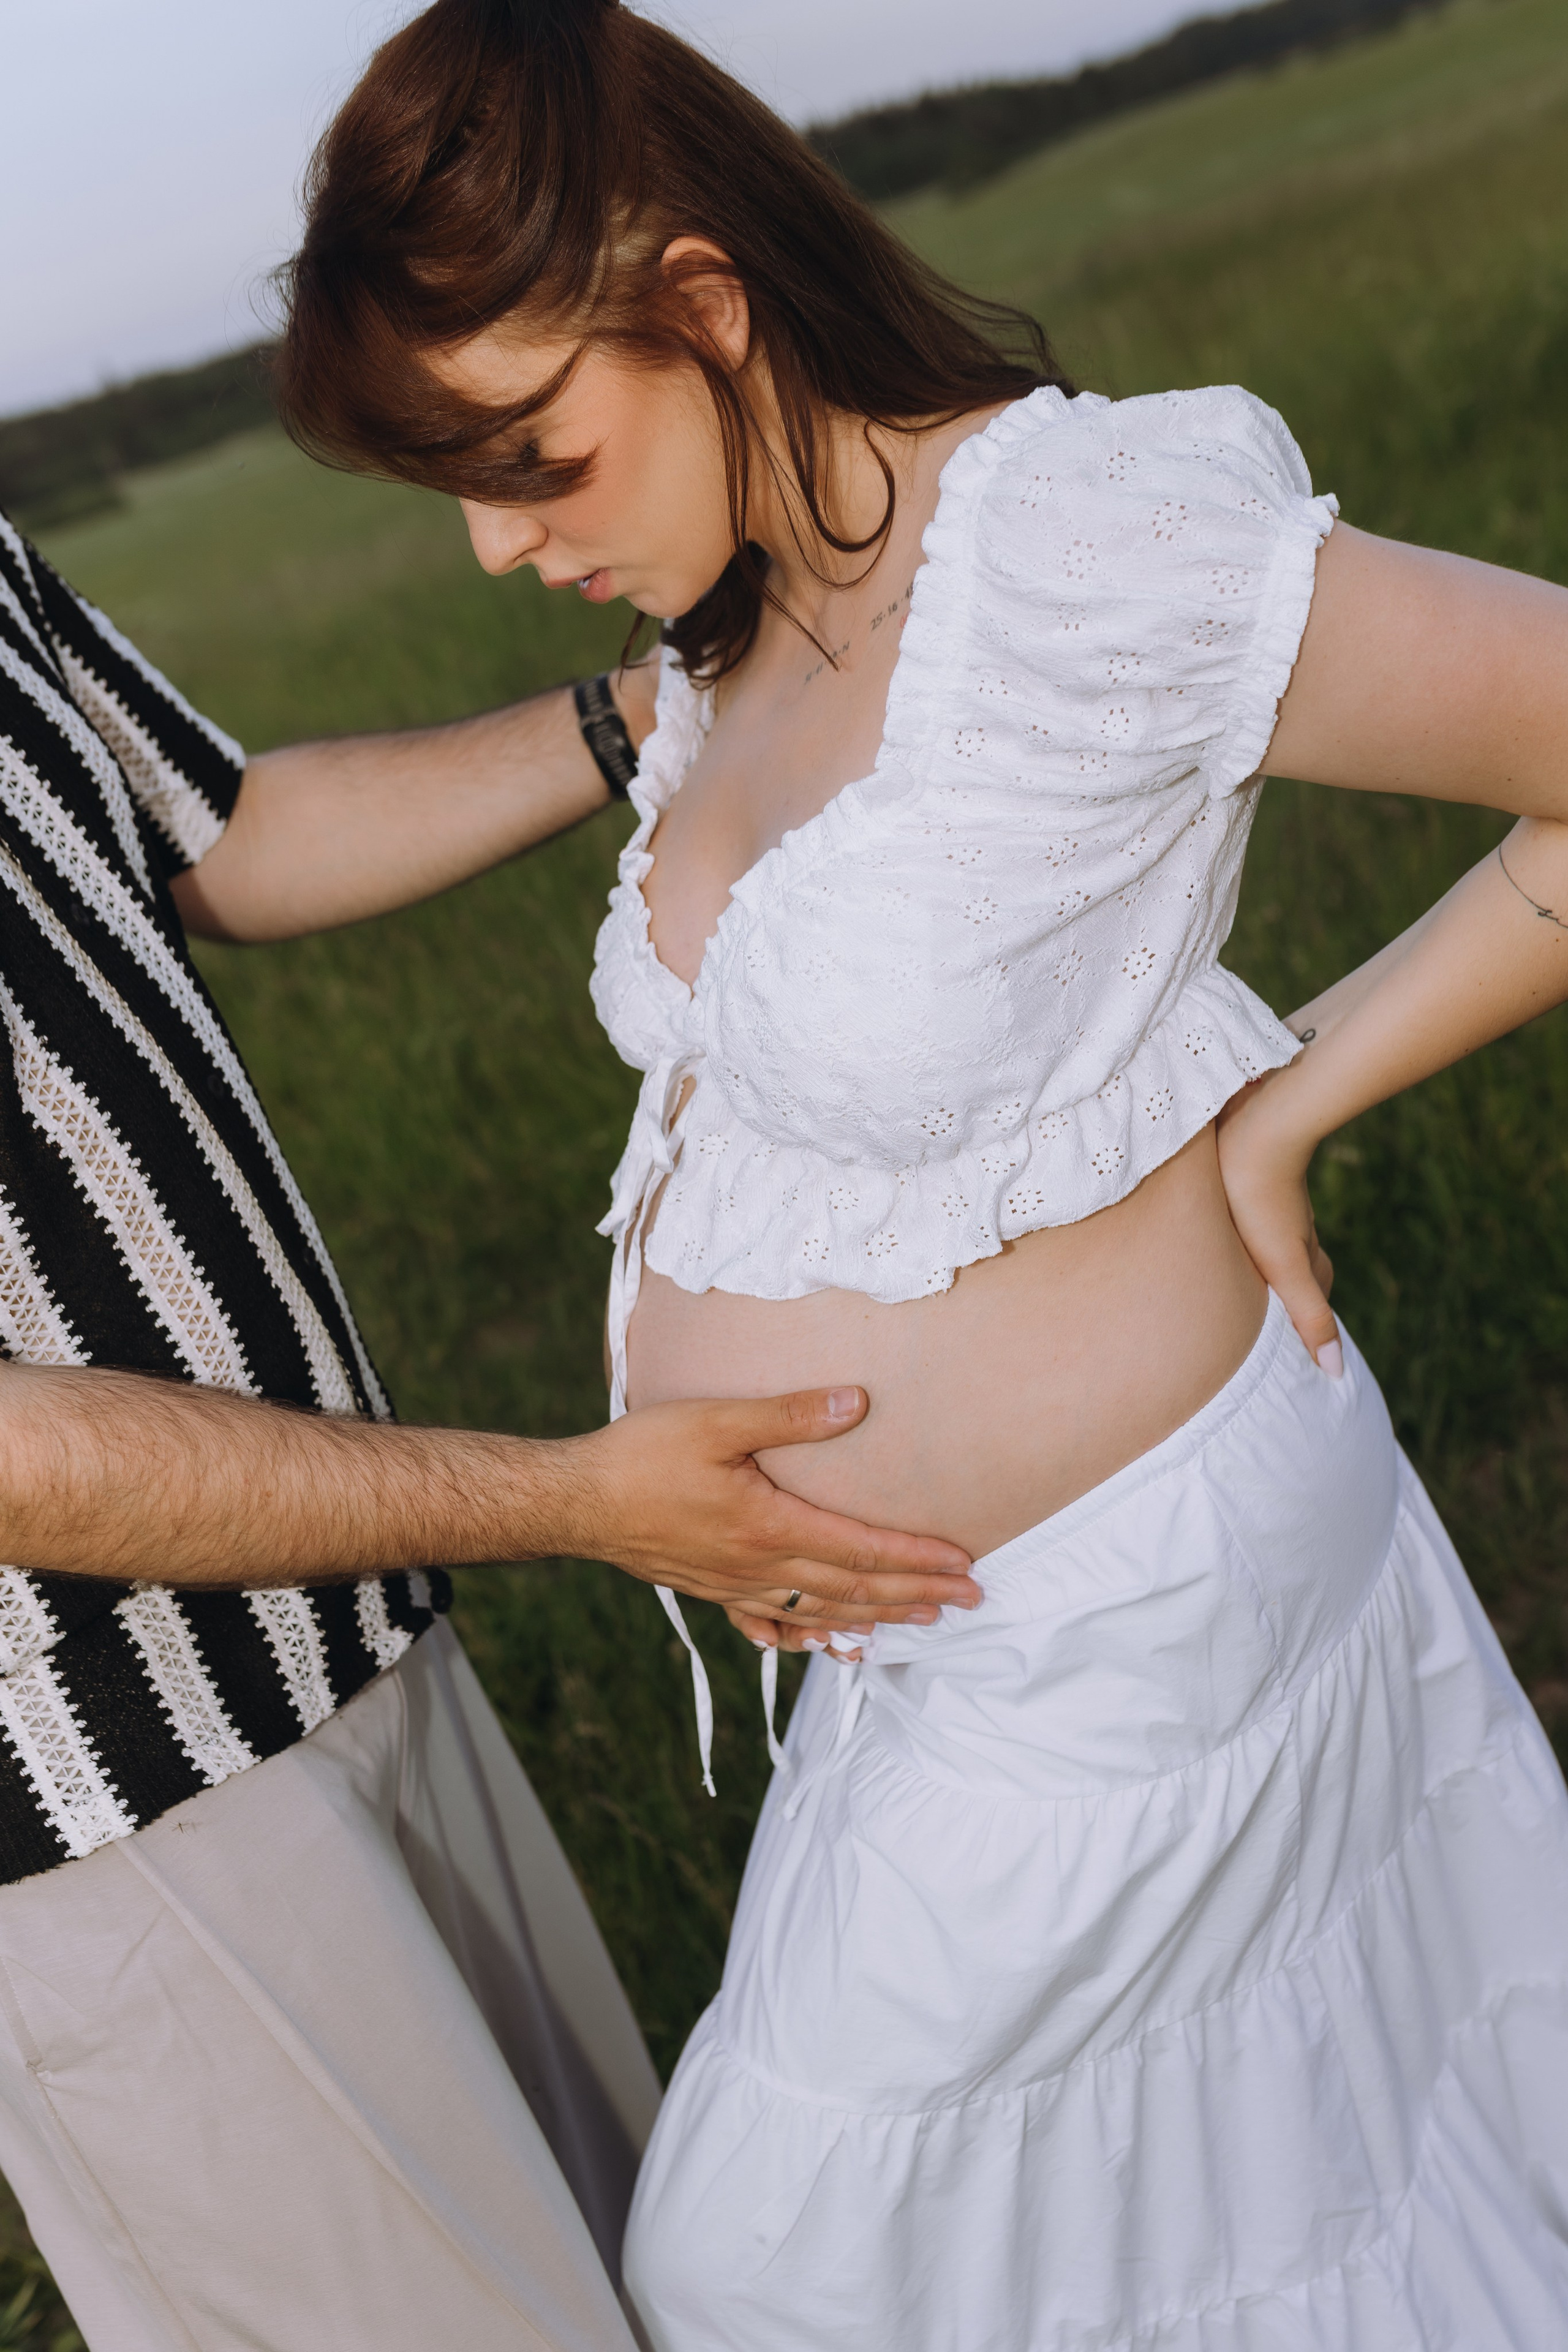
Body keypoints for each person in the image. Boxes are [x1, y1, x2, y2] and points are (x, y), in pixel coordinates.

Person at [276, 0, 1568, 2342]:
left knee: (766, 2267)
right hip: (945, 1652)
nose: (492, 541)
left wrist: (1287, 1093)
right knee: (1223, 2224)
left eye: (533, 454)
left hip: (1137, 1609)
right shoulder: (725, 636)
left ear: (701, 302)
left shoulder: (1073, 545)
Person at [0, 492, 979, 2351]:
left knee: (645, 2285)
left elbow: (213, 838)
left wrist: (656, 715)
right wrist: (574, 1500)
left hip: (357, 1624)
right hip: (106, 1803)